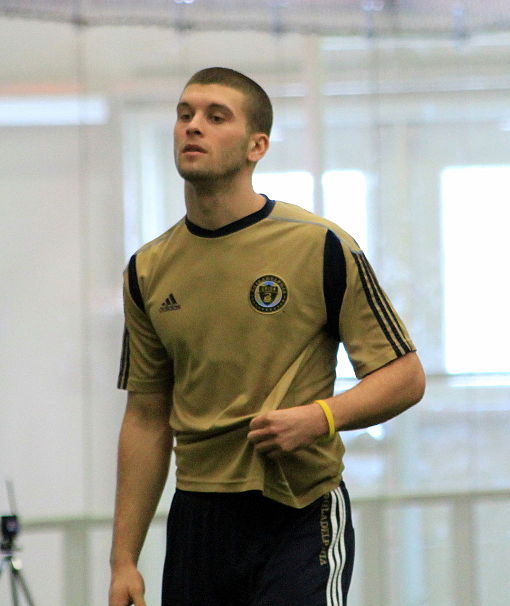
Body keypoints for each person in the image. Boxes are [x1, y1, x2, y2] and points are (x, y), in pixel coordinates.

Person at [109, 66, 425, 606]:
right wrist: (123, 561)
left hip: (300, 510)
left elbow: (406, 376)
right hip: (198, 518)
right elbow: (145, 416)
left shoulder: (320, 246)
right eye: (185, 114)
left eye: (215, 116)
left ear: (257, 146)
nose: (193, 127)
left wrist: (320, 417)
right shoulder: (147, 269)